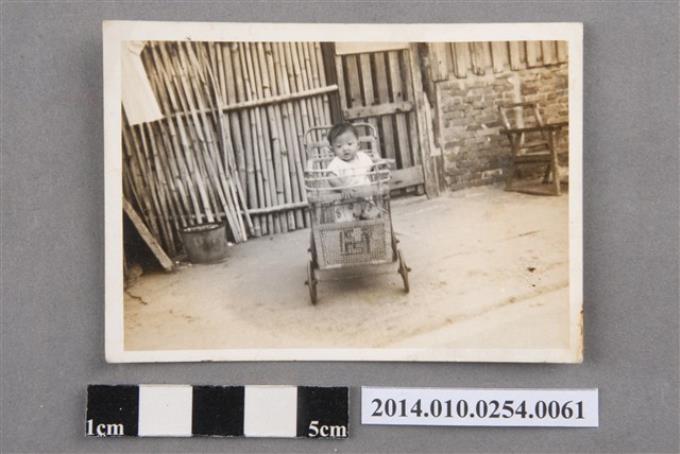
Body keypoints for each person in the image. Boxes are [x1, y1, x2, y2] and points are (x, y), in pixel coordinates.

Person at [325, 122, 381, 222]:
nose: (345, 149)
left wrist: (380, 166)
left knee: (374, 219)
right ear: (332, 149)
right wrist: (343, 188)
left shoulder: (363, 157)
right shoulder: (336, 163)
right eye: (339, 146)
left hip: (365, 199)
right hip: (346, 202)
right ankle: (350, 231)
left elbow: (372, 168)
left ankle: (372, 229)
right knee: (348, 224)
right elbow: (331, 177)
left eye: (350, 144)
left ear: (358, 145)